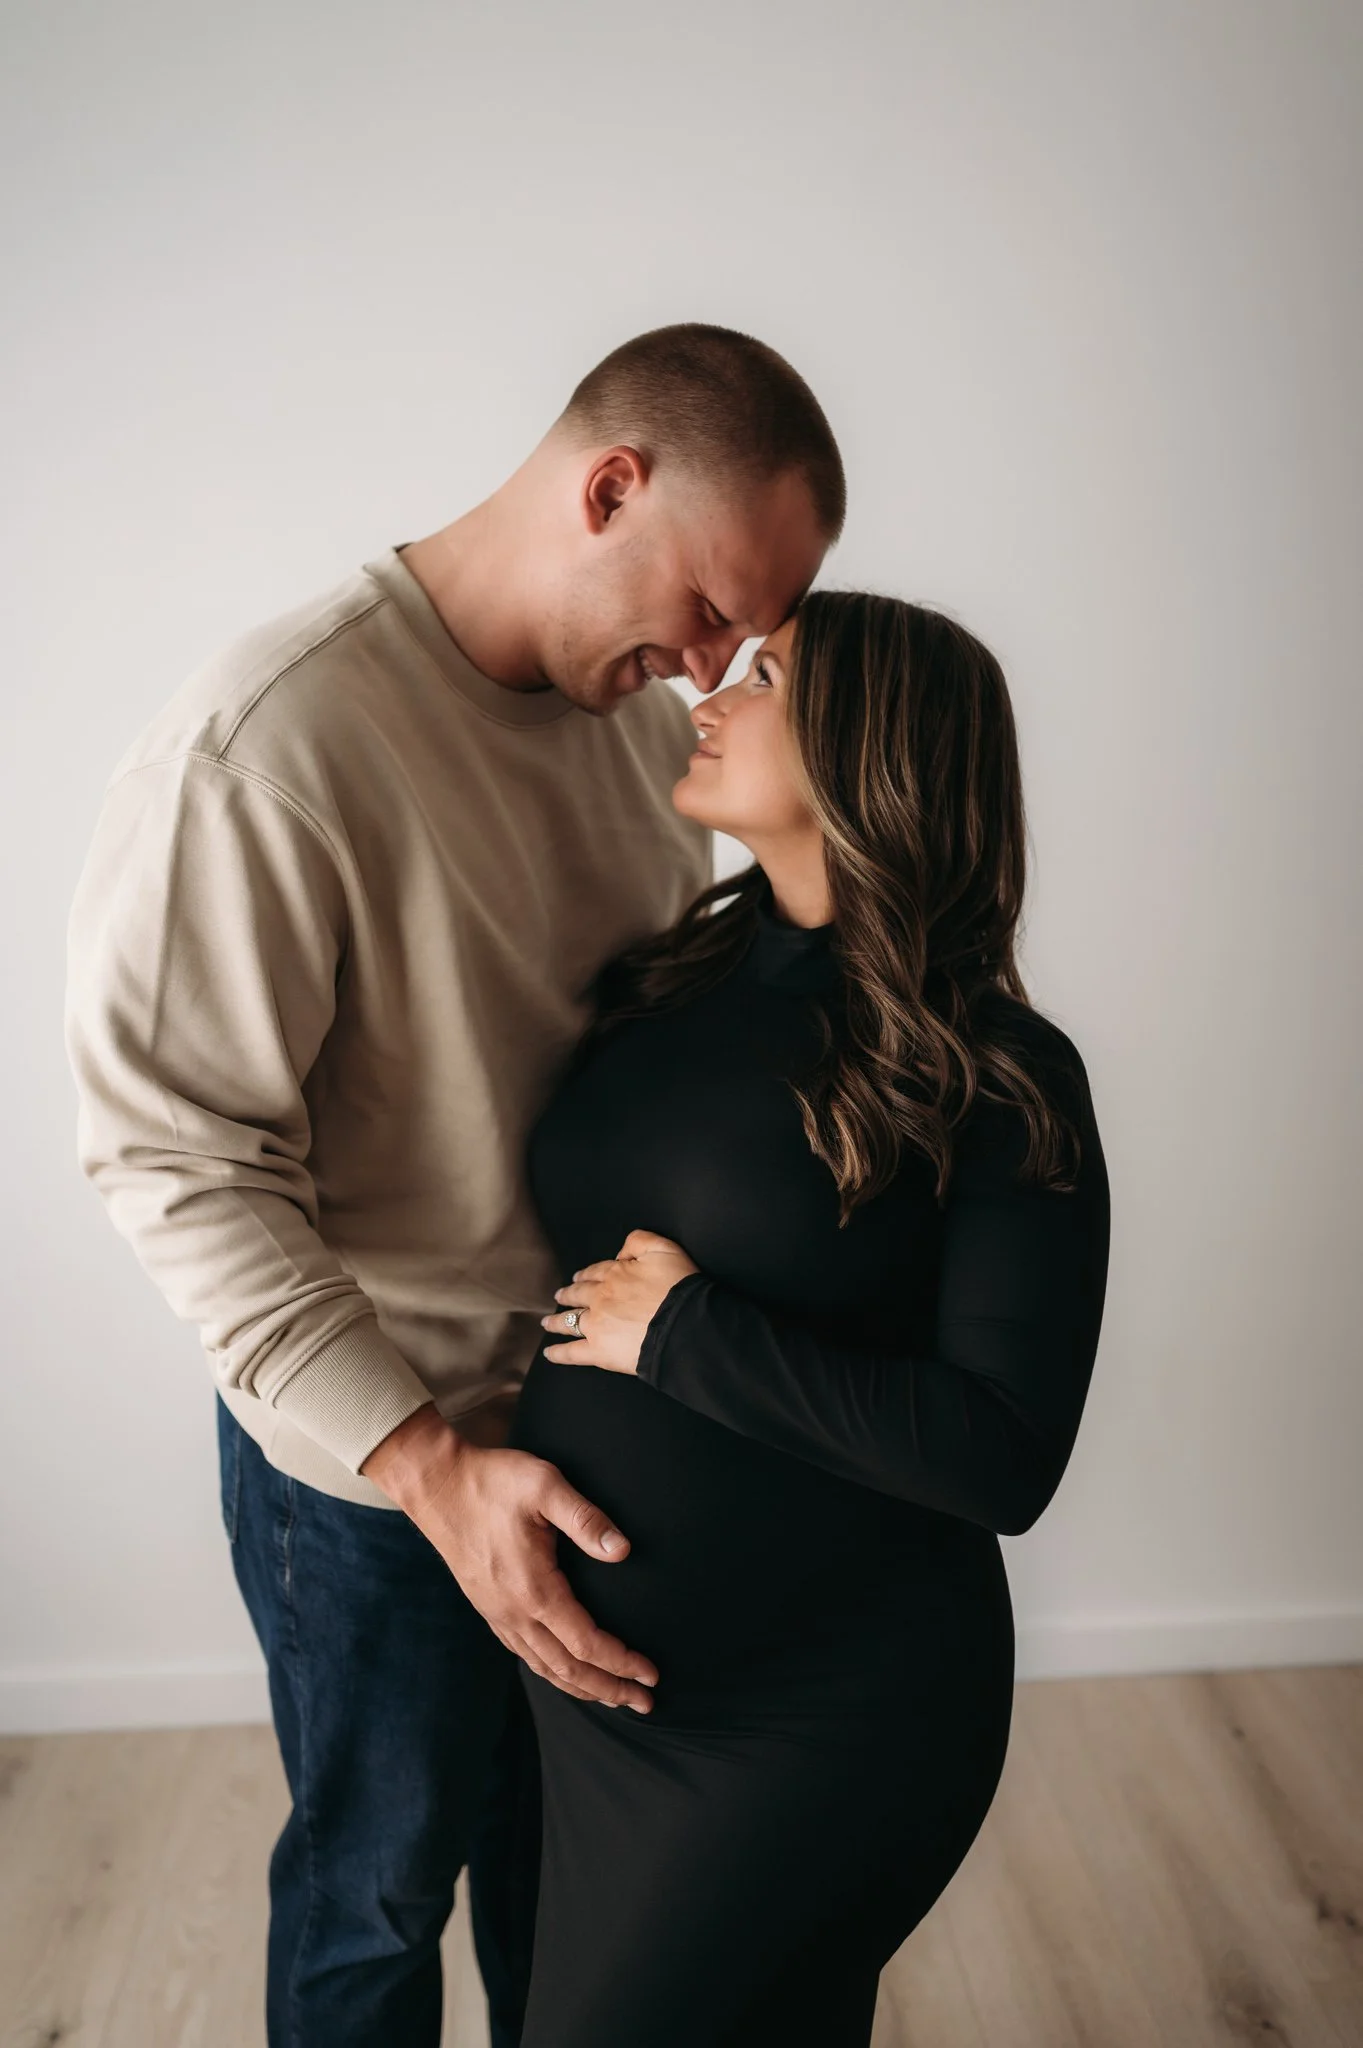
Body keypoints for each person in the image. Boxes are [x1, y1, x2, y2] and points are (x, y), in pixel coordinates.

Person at [63, 323, 844, 2047]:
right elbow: (169, 1155)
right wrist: (426, 1470)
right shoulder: (268, 744)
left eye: (749, 640)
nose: (718, 666)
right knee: (377, 1894)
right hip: (377, 1465)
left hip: (592, 1434)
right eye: (713, 607)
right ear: (610, 485)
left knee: (563, 1895)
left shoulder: (642, 725)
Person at [510, 590, 1112, 2047]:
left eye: (768, 675)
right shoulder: (670, 979)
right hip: (593, 1701)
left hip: (825, 1715)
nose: (711, 689)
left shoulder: (996, 1072)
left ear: (874, 748)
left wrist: (686, 1338)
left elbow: (1002, 1458)